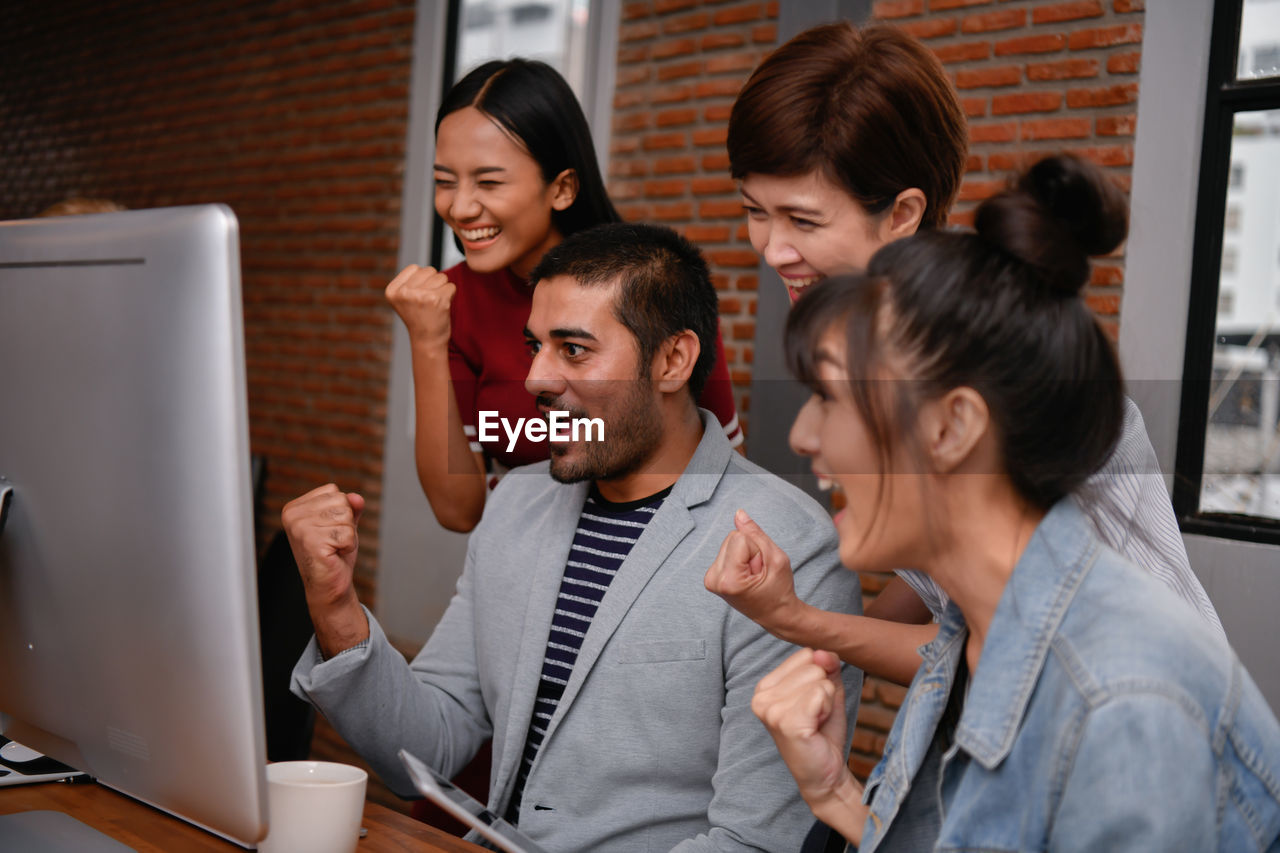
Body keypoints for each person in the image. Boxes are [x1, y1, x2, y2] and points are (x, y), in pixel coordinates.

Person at [752, 154, 1280, 850]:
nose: (803, 435)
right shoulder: (971, 639)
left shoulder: (1123, 706)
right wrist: (837, 794)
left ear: (953, 427)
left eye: (829, 399)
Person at [284, 222, 863, 852]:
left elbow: (755, 842)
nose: (535, 377)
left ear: (673, 360)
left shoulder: (785, 545)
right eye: (535, 347)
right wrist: (337, 610)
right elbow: (423, 750)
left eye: (574, 350)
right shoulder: (518, 505)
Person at [706, 21, 1222, 688]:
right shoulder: (890, 351)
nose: (772, 249)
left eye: (803, 220)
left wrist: (800, 620)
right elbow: (948, 587)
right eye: (756, 211)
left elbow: (985, 639)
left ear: (901, 213)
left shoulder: (974, 375)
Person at [387, 58, 741, 533]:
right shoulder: (455, 305)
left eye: (489, 182)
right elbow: (458, 509)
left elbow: (728, 472)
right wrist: (427, 342)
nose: (461, 207)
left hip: (669, 551)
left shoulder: (657, 285)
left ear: (563, 188)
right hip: (531, 555)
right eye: (445, 181)